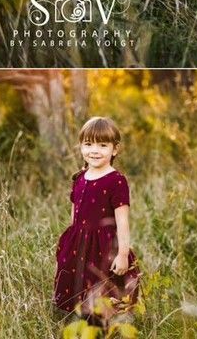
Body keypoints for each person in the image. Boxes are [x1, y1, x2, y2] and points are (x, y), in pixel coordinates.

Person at [54, 116, 140, 323]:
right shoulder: (79, 178)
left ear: (115, 149)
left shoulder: (116, 181)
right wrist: (68, 244)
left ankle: (106, 329)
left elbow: (122, 222)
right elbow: (74, 216)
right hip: (78, 245)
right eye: (88, 144)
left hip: (104, 247)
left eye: (102, 145)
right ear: (81, 146)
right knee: (78, 292)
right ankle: (82, 327)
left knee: (103, 294)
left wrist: (122, 254)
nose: (95, 150)